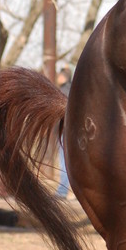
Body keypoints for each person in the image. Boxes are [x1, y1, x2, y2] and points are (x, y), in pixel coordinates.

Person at [55, 65, 72, 197]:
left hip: (65, 130)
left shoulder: (63, 91)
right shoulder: (72, 89)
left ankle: (62, 191)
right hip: (68, 129)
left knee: (63, 162)